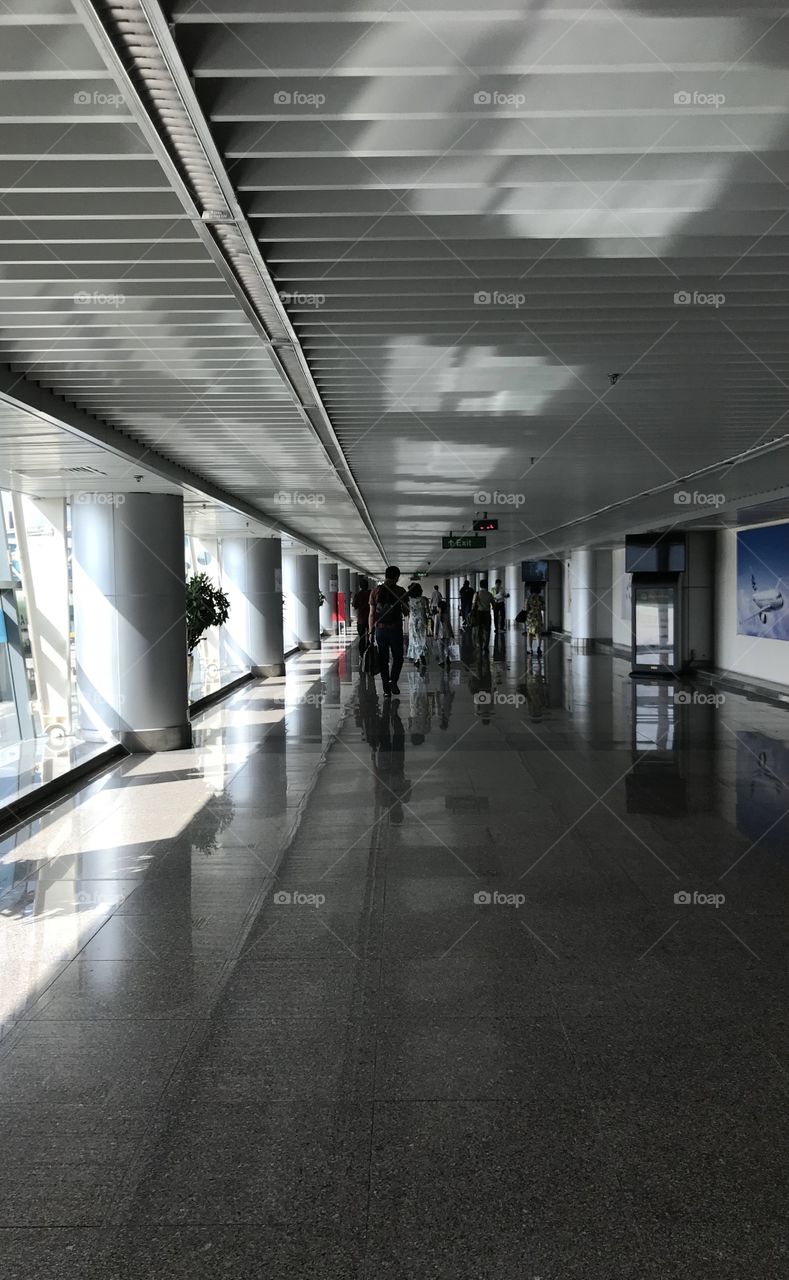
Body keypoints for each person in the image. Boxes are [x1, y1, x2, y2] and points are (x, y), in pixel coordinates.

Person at [368, 565, 409, 697]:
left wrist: (370, 632)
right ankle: (393, 681)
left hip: (380, 631)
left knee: (383, 658)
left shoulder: (375, 591)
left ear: (385, 576)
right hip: (395, 629)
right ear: (397, 577)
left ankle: (386, 687)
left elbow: (372, 614)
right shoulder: (401, 591)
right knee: (398, 657)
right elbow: (406, 612)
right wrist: (403, 605)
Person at [406, 582, 430, 672]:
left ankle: (416, 658)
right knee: (422, 638)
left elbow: (406, 610)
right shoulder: (424, 599)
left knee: (414, 639)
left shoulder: (408, 600)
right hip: (422, 620)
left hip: (412, 621)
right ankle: (422, 654)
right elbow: (428, 611)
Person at [351, 575, 371, 660]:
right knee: (371, 636)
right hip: (370, 618)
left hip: (361, 619)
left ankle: (362, 654)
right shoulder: (371, 593)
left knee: (362, 636)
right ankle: (370, 651)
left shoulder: (358, 595)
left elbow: (355, 605)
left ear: (360, 586)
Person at [472, 578, 494, 650]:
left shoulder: (477, 594)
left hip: (479, 613)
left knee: (479, 629)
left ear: (480, 585)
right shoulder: (489, 594)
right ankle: (486, 645)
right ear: (486, 585)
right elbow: (494, 604)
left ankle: (479, 644)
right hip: (487, 613)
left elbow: (473, 604)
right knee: (487, 630)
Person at [433, 596, 454, 667]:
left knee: (440, 648)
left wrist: (435, 634)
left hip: (440, 634)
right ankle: (447, 657)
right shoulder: (447, 615)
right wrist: (452, 633)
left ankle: (441, 661)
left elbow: (436, 626)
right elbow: (449, 625)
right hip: (447, 634)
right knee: (446, 647)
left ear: (439, 608)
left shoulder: (437, 616)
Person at [524, 584, 545, 655]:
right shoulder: (541, 598)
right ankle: (539, 647)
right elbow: (543, 608)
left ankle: (530, 649)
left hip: (530, 618)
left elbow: (525, 609)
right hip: (538, 617)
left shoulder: (529, 598)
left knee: (529, 633)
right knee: (538, 633)